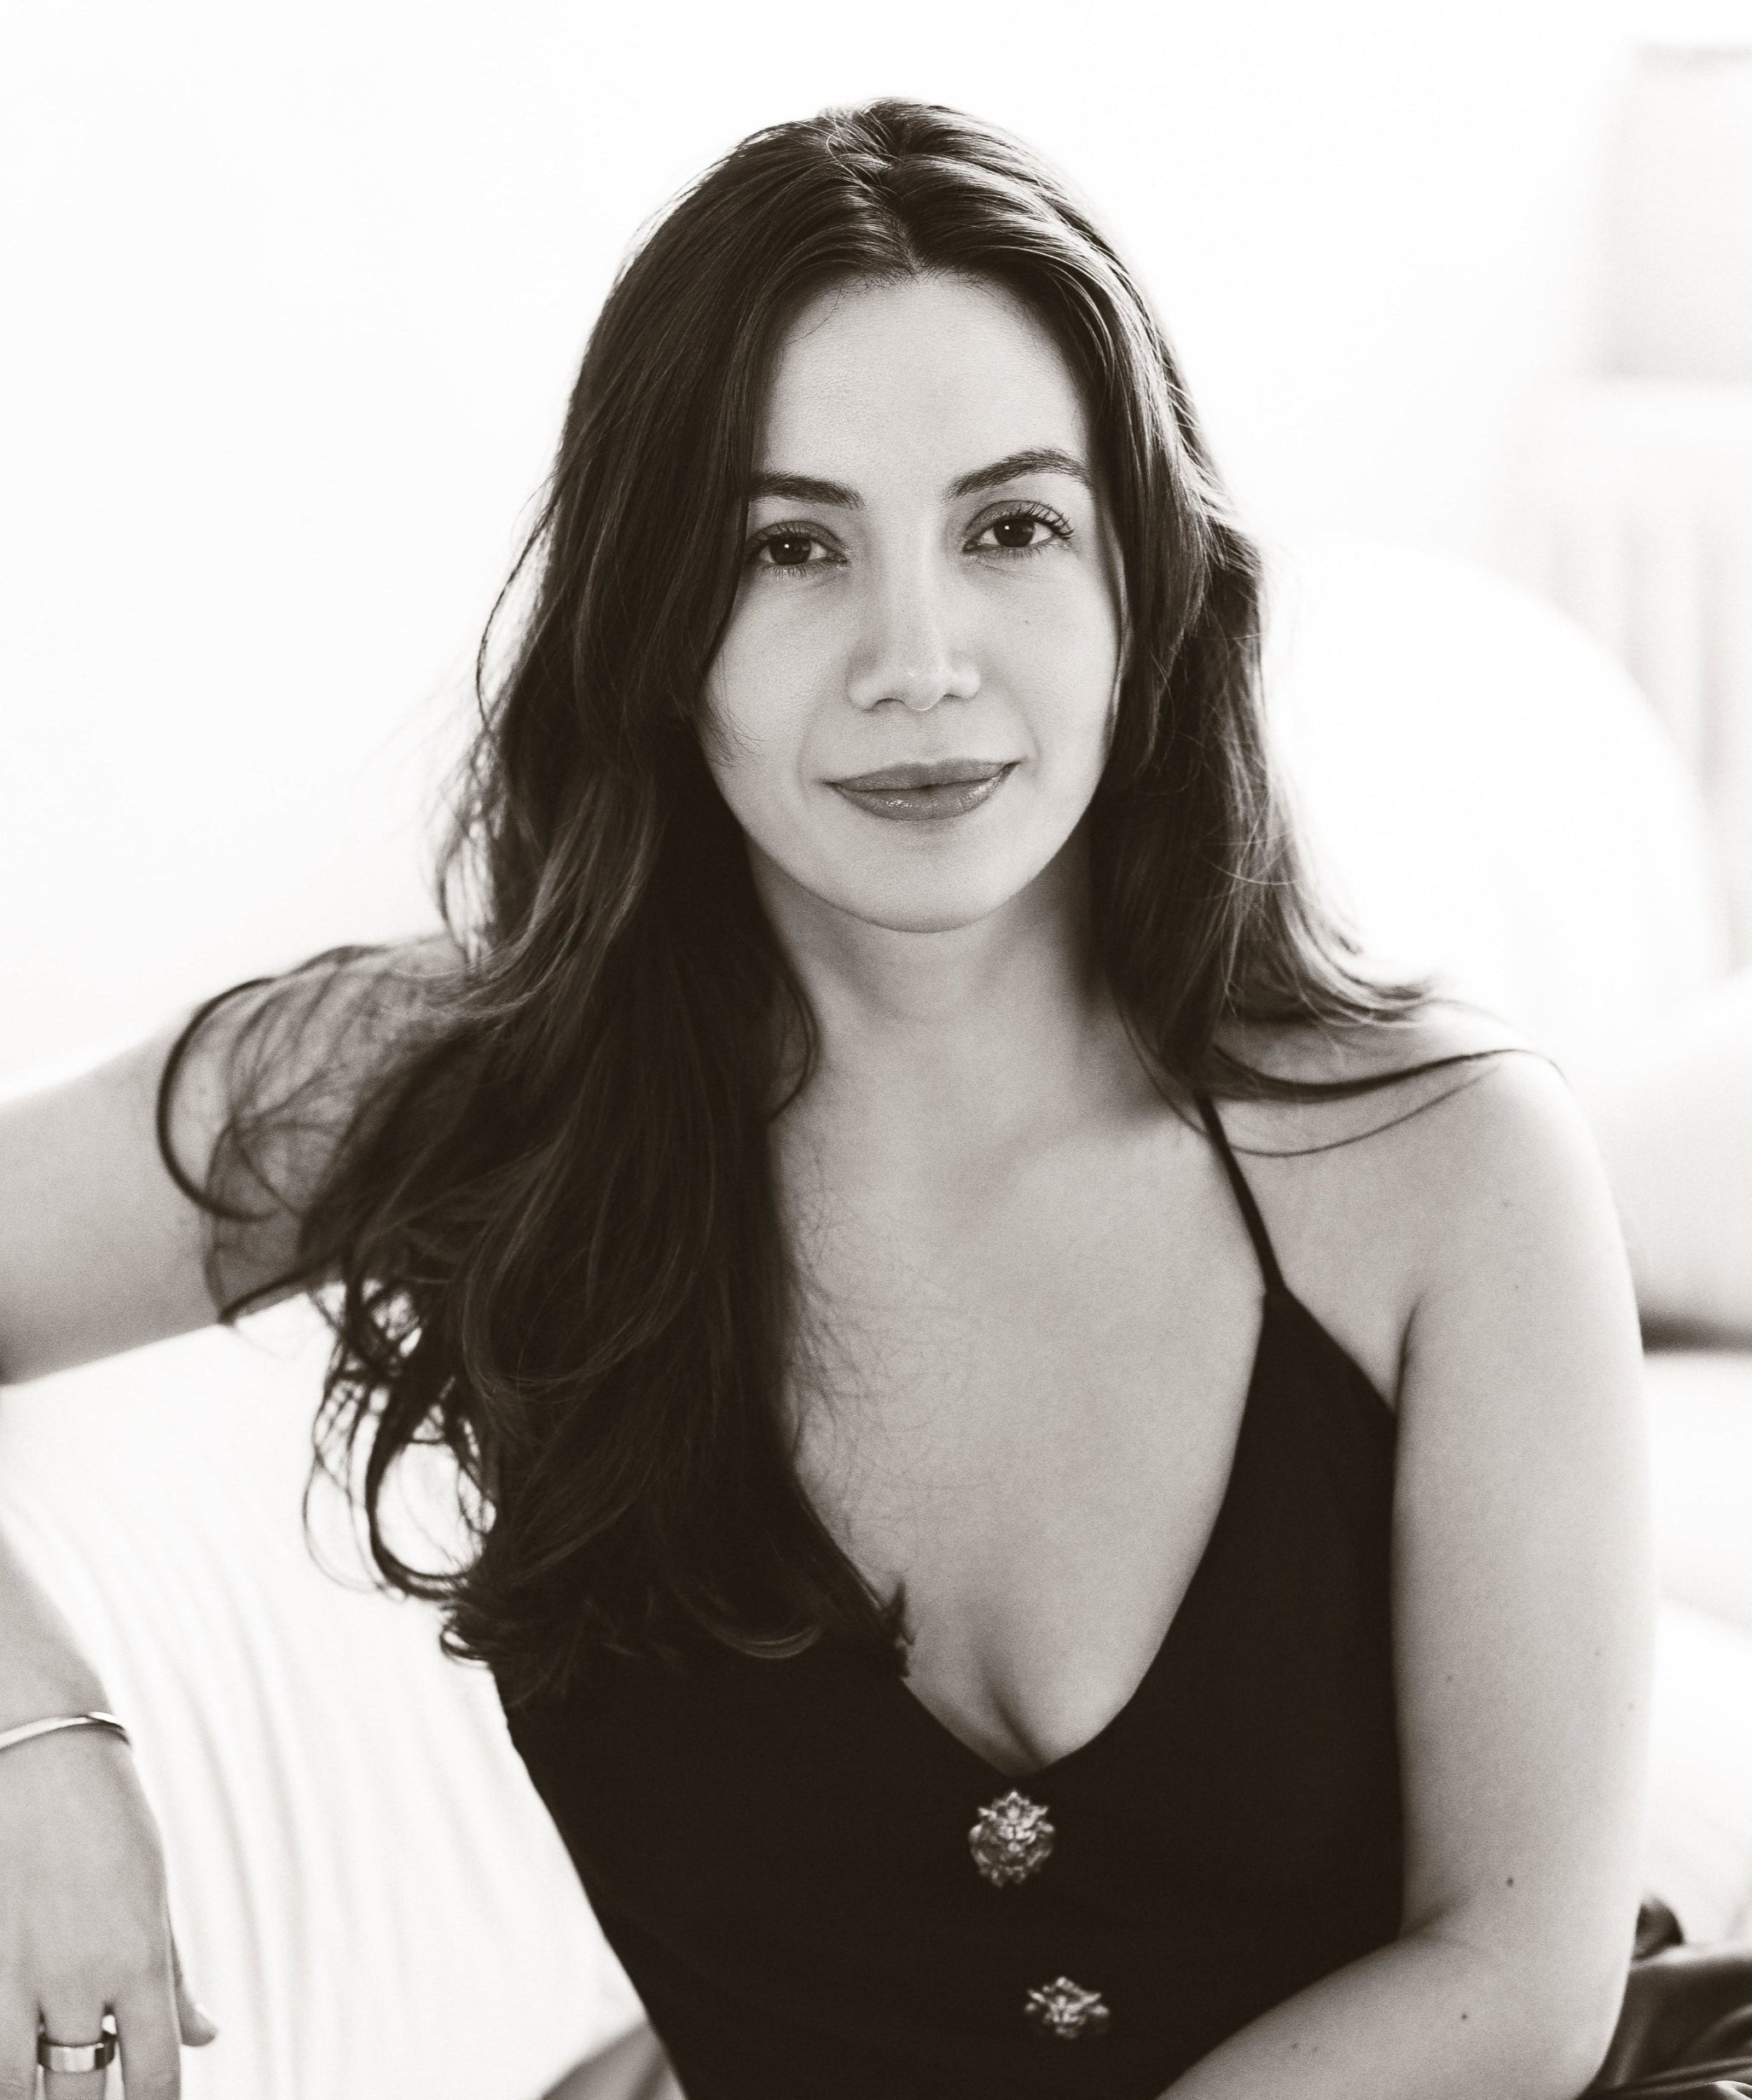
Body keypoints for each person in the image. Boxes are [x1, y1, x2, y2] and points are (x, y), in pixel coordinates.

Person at [0, 98, 1652, 2100]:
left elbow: (1520, 1972)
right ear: (655, 626)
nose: (917, 661)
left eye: (1010, 528)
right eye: (788, 548)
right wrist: (36, 1740)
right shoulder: (460, 1093)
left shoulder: (1443, 1166)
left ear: (1141, 585)